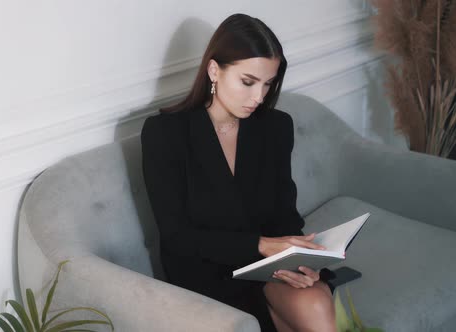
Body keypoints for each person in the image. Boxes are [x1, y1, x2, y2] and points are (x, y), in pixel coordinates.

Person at [140, 13, 336, 332]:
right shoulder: (165, 134)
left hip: (265, 266)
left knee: (313, 298)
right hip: (207, 273)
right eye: (248, 82)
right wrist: (261, 245)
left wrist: (302, 263)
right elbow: (177, 237)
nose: (259, 97)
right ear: (214, 70)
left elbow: (284, 218)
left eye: (268, 84)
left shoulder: (275, 127)